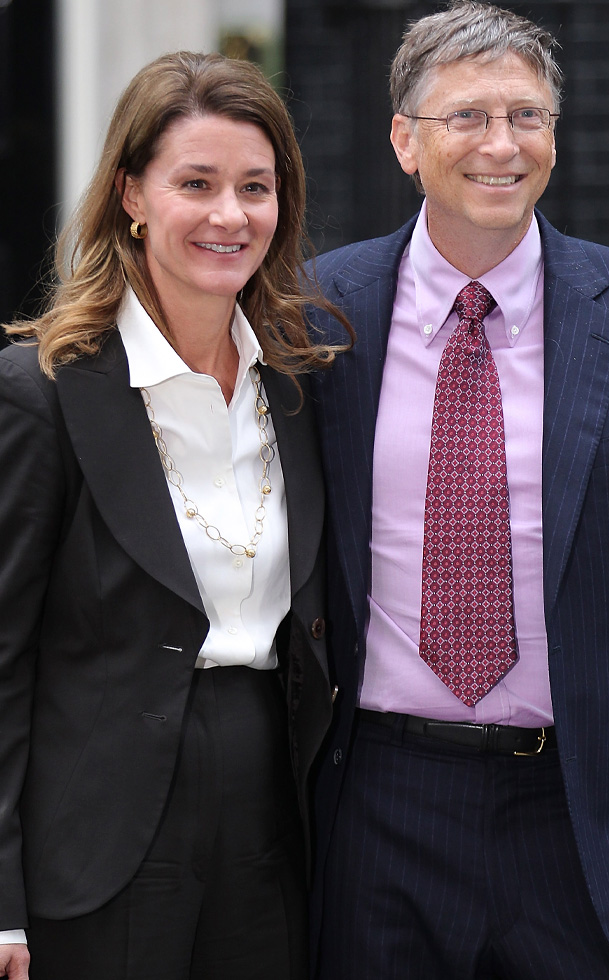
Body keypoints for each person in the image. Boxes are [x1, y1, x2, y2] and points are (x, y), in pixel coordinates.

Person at [304, 3, 609, 979]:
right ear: (403, 139)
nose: (501, 144)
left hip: (589, 817)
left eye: (526, 116)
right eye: (466, 116)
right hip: (378, 808)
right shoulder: (317, 312)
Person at [0, 50, 347, 980]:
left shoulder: (303, 389)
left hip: (272, 816)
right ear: (132, 196)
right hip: (96, 833)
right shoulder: (40, 394)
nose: (231, 215)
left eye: (256, 187)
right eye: (196, 183)